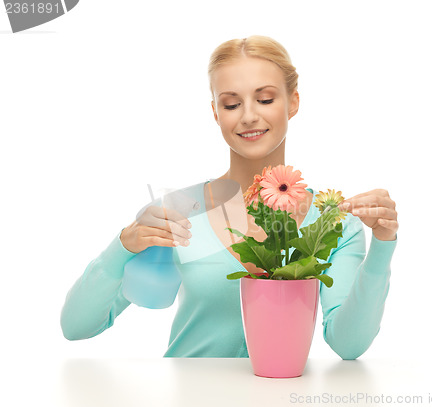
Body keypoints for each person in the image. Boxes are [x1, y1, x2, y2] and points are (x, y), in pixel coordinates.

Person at [60, 35, 398, 360]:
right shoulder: (178, 213)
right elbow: (77, 326)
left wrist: (382, 244)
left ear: (293, 101)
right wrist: (123, 246)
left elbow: (348, 343)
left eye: (265, 99)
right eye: (232, 103)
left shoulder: (333, 223)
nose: (249, 115)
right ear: (216, 112)